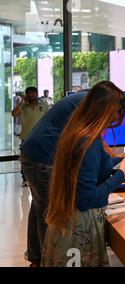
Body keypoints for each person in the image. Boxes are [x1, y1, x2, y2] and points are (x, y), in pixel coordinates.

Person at [40, 81, 125, 267]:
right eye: (117, 113)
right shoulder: (89, 142)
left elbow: (101, 166)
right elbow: (88, 198)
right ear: (107, 110)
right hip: (79, 228)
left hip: (66, 222)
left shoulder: (78, 133)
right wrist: (121, 174)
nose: (117, 119)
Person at [20, 88, 90, 267]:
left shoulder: (82, 99)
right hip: (42, 156)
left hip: (33, 153)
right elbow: (87, 141)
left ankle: (37, 258)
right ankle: (49, 261)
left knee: (39, 206)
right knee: (50, 210)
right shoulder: (89, 103)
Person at [12, 86, 49, 186]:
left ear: (37, 94)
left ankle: (42, 177)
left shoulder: (44, 104)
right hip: (27, 136)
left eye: (33, 93)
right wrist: (21, 104)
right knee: (25, 158)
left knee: (42, 157)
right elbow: (14, 114)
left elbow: (48, 118)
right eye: (29, 93)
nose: (31, 94)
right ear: (27, 95)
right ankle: (25, 179)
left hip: (41, 136)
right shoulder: (23, 106)